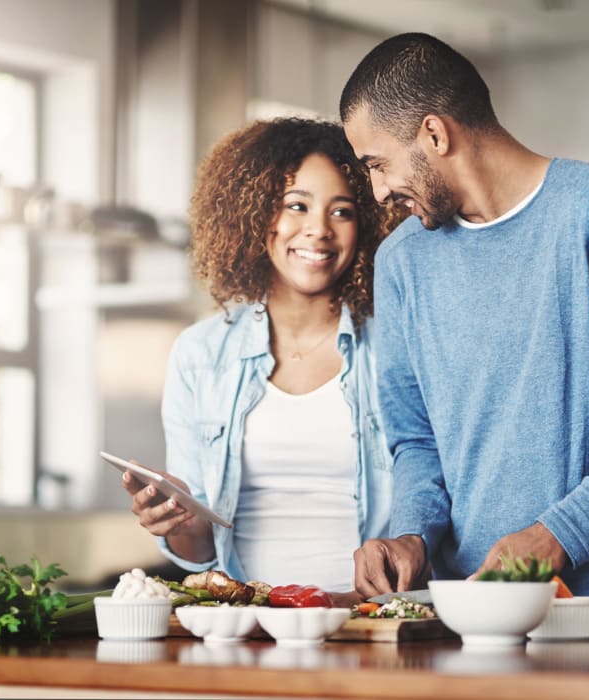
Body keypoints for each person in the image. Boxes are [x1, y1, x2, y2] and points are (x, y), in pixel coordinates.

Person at [339, 33, 589, 631]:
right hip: (465, 615)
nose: (379, 191)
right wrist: (411, 532)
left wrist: (556, 537)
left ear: (436, 135)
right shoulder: (401, 262)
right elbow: (415, 439)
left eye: (377, 164)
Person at [121, 118, 401, 602]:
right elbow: (201, 553)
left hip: (368, 623)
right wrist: (176, 520)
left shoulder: (397, 344)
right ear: (253, 216)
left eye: (343, 212)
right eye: (297, 206)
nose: (318, 230)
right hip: (247, 625)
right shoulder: (200, 355)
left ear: (367, 226)